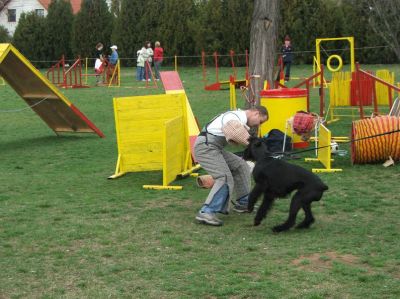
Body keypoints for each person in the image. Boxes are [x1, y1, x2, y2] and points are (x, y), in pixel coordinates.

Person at [194, 106, 269, 226]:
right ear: (256, 113)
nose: (258, 125)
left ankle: (244, 203)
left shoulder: (237, 117)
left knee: (241, 166)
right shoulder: (234, 117)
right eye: (260, 121)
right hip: (205, 148)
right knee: (224, 177)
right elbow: (235, 132)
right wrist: (258, 147)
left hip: (213, 147)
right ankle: (206, 212)